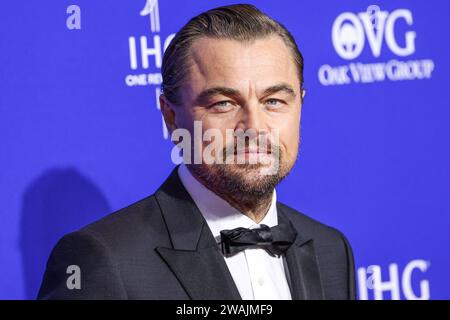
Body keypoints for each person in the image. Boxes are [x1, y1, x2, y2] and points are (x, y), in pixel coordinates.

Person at [38, 4, 356, 300]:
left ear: (300, 103)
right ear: (171, 116)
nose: (254, 127)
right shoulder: (103, 260)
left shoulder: (331, 250)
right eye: (223, 104)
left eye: (273, 100)